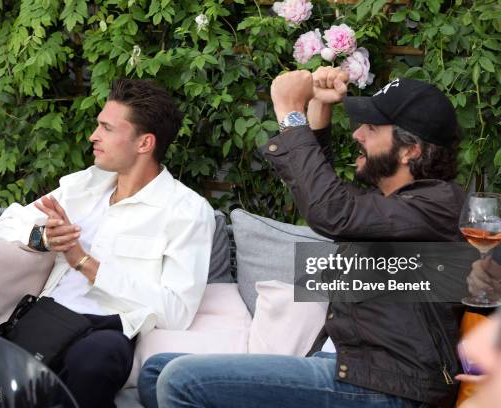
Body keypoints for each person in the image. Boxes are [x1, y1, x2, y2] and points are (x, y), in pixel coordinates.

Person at [138, 68, 466, 408]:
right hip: (346, 369)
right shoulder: (396, 209)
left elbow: (333, 211)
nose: (356, 134)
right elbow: (329, 198)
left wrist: (290, 113)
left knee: (182, 380)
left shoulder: (438, 205)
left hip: (388, 386)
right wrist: (317, 110)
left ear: (409, 150)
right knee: (155, 373)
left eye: (370, 128)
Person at [0, 78, 216, 408]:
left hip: (104, 332)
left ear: (144, 143)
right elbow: (0, 227)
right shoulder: (82, 186)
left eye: (106, 128)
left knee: (95, 362)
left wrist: (85, 262)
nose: (94, 136)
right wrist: (43, 238)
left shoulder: (187, 211)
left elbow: (177, 312)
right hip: (45, 320)